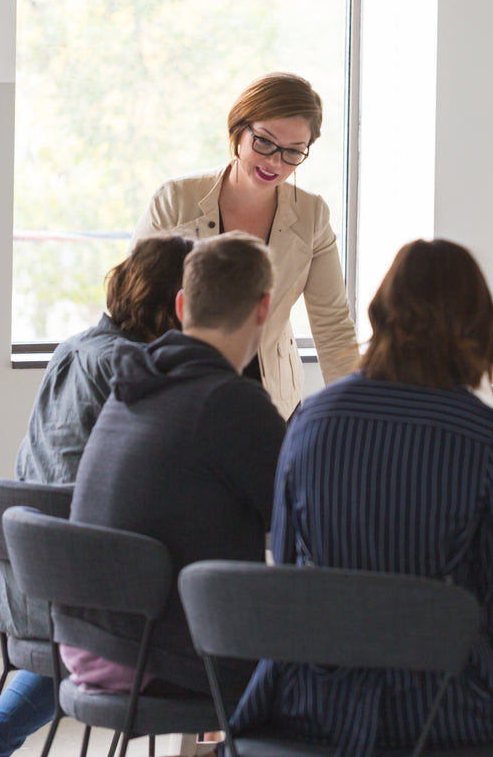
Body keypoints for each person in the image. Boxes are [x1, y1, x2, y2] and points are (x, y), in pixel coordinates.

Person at [229, 239, 493, 757]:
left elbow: (288, 573)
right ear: (477, 325)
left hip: (310, 700)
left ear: (380, 313)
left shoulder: (311, 420)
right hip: (443, 706)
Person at [0, 234, 194, 757]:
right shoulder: (136, 367)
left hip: (26, 588)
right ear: (180, 302)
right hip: (85, 597)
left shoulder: (74, 348)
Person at [57, 232, 288, 700]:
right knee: (333, 648)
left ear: (182, 305)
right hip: (156, 656)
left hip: (88, 640)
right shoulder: (232, 402)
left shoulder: (133, 382)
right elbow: (303, 519)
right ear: (263, 309)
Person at [133, 71, 360, 419]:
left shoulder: (311, 215)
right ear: (239, 130)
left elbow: (332, 326)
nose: (275, 162)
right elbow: (135, 309)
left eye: (293, 152)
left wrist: (356, 415)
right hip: (180, 399)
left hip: (271, 405)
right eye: (265, 142)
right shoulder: (175, 200)